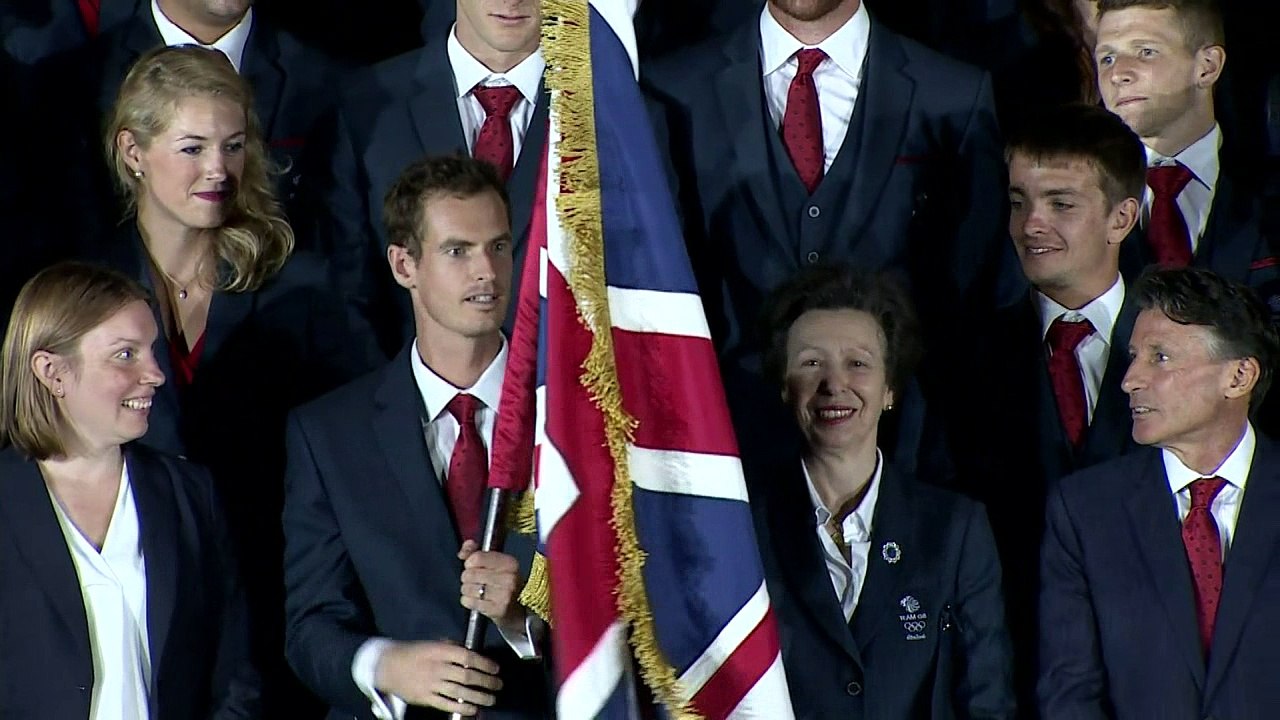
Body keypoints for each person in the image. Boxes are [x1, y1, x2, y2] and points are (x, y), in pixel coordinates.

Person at [98, 44, 380, 713]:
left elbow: (362, 448)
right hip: (130, 613)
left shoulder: (304, 294)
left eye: (232, 145)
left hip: (272, 606)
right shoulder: (84, 294)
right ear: (134, 152)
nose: (217, 170)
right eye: (192, 148)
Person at [643, 0, 1020, 475]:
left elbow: (976, 291)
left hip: (904, 456)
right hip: (725, 454)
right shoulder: (671, 90)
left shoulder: (953, 95)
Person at [284, 155, 550, 719]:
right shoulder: (330, 434)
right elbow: (312, 624)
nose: (488, 272)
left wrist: (522, 618)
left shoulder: (573, 415)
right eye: (458, 251)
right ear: (404, 265)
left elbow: (638, 608)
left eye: (499, 247)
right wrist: (386, 666)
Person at [749, 264, 1015, 719]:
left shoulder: (955, 530)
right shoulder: (745, 528)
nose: (835, 385)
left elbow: (987, 702)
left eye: (858, 364)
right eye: (812, 363)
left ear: (889, 388)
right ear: (783, 387)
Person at [945, 103, 1145, 707]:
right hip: (1015, 672)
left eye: (1061, 204)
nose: (1032, 224)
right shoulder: (960, 360)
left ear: (1122, 218)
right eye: (1017, 201)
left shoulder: (1193, 349)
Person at [0, 261, 259, 719]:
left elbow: (234, 673)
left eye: (151, 351)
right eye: (126, 355)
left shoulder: (190, 495)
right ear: (52, 371)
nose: (156, 374)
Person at [1039, 266, 1280, 716]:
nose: (1130, 379)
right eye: (1133, 356)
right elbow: (1070, 695)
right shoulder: (1085, 512)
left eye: (1160, 357)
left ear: (1239, 376)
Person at [312, 0, 547, 356]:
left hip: (565, 399)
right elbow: (347, 287)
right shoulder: (365, 106)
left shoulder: (616, 113)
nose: (512, 0)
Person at [1094, 0, 1279, 293]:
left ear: (1207, 67)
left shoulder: (1267, 185)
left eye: (1145, 52)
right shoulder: (1083, 198)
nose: (1118, 74)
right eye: (1107, 58)